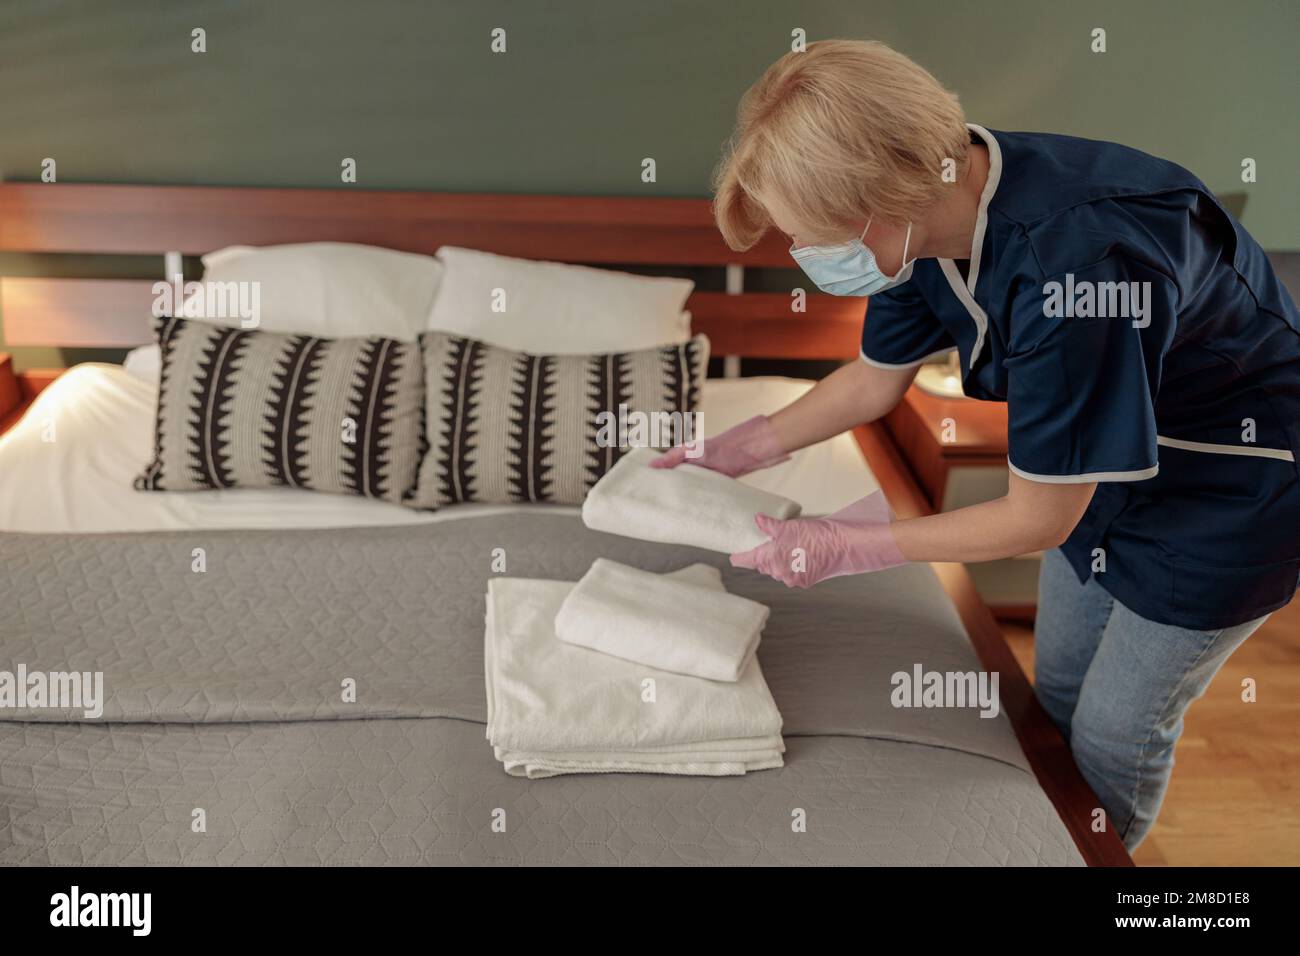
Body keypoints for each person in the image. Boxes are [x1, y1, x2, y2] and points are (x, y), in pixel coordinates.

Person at [653, 39, 1300, 851]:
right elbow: (872, 380)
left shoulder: (1079, 270)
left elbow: (1036, 520)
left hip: (1229, 499)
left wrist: (848, 546)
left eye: (810, 237)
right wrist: (735, 447)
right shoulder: (932, 220)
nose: (804, 257)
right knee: (1056, 689)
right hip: (1104, 482)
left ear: (878, 201)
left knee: (1111, 737)